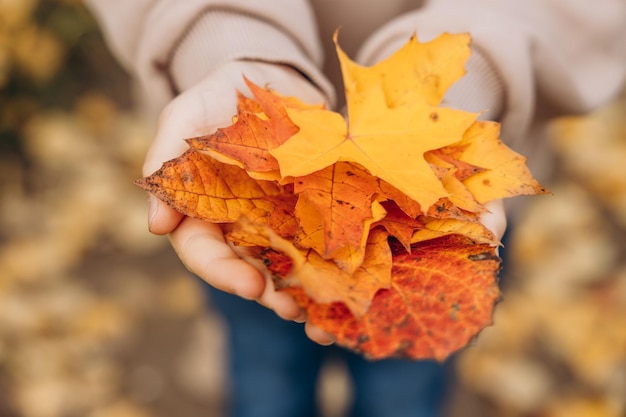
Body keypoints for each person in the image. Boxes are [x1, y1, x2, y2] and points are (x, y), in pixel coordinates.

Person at [83, 1, 626, 416]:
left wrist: (481, 64)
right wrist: (219, 35)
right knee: (263, 361)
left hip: (437, 180)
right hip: (253, 218)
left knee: (405, 378)